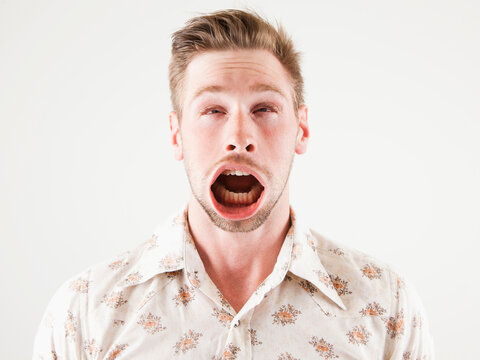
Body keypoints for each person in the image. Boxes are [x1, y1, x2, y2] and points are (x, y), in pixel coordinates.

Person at [33, 9, 434, 359]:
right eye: (213, 109)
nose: (239, 136)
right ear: (177, 135)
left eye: (264, 108)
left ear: (302, 128)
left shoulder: (385, 307)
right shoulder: (85, 311)